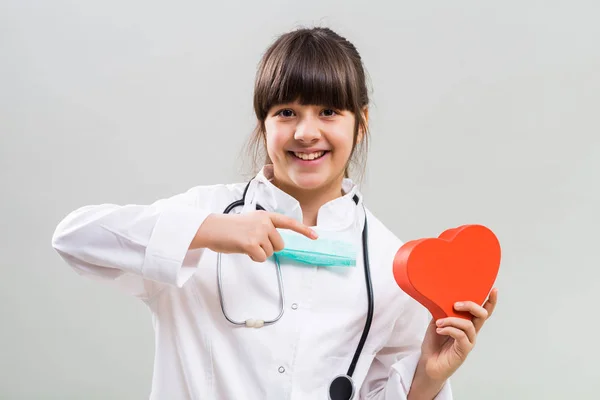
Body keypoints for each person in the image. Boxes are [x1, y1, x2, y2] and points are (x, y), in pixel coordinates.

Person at [51, 26, 498, 400]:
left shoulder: (392, 264)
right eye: (286, 112)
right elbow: (73, 239)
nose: (306, 133)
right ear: (262, 123)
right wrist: (208, 232)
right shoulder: (206, 215)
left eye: (328, 112)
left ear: (360, 123)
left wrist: (429, 378)